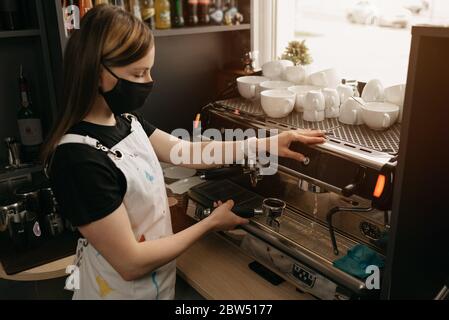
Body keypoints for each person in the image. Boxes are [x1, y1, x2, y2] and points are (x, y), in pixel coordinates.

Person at [41, 5, 326, 300]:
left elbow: (187, 152)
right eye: (138, 73)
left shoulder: (125, 121)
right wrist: (210, 223)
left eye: (149, 70)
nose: (148, 82)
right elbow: (130, 262)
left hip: (156, 286)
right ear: (98, 73)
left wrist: (265, 143)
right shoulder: (77, 159)